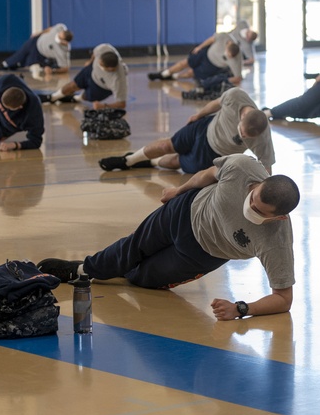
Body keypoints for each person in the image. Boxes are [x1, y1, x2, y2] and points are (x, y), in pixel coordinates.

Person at [37, 154, 298, 320]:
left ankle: (118, 268)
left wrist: (241, 308)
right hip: (184, 211)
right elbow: (208, 174)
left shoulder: (276, 239)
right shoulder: (243, 168)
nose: (249, 207)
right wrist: (179, 190)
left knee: (144, 279)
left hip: (202, 254)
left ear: (278, 218)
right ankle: (84, 270)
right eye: (252, 197)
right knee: (134, 245)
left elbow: (283, 299)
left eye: (258, 211)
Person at [98, 87, 275, 173]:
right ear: (242, 117)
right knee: (167, 145)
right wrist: (199, 115)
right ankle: (127, 160)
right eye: (242, 132)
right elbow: (216, 103)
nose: (241, 136)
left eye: (245, 138)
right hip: (204, 128)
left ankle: (149, 162)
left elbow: (267, 166)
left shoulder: (263, 138)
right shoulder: (236, 96)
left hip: (214, 154)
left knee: (176, 162)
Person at [41, 43, 128, 109]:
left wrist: (103, 106)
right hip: (91, 70)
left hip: (101, 87)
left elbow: (122, 104)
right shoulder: (105, 48)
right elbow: (95, 53)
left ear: (109, 69)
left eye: (101, 64)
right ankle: (53, 97)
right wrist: (90, 62)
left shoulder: (118, 80)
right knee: (73, 85)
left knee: (86, 96)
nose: (99, 63)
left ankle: (76, 98)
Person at [147, 32, 243, 89]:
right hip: (206, 53)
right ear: (227, 45)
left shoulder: (237, 60)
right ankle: (163, 74)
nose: (226, 56)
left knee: (191, 73)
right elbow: (211, 39)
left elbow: (238, 78)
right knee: (185, 63)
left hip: (213, 66)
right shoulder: (224, 36)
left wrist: (224, 80)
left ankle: (174, 76)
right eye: (227, 53)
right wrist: (199, 47)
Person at [0, 23, 73, 80]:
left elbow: (65, 68)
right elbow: (50, 29)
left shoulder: (63, 51)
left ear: (65, 42)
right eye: (59, 35)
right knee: (21, 53)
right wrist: (39, 33)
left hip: (40, 54)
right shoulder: (60, 27)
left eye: (60, 38)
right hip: (36, 41)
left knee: (26, 63)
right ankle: (4, 64)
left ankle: (14, 65)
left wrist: (53, 71)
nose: (57, 37)